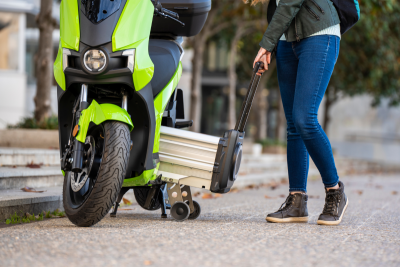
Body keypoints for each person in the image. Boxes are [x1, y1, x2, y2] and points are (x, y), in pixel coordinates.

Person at [253, 0, 348, 225]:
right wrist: (274, 44)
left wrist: (266, 44)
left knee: (305, 118)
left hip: (319, 33)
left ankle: (335, 191)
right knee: (294, 125)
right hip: (287, 41)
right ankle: (297, 201)